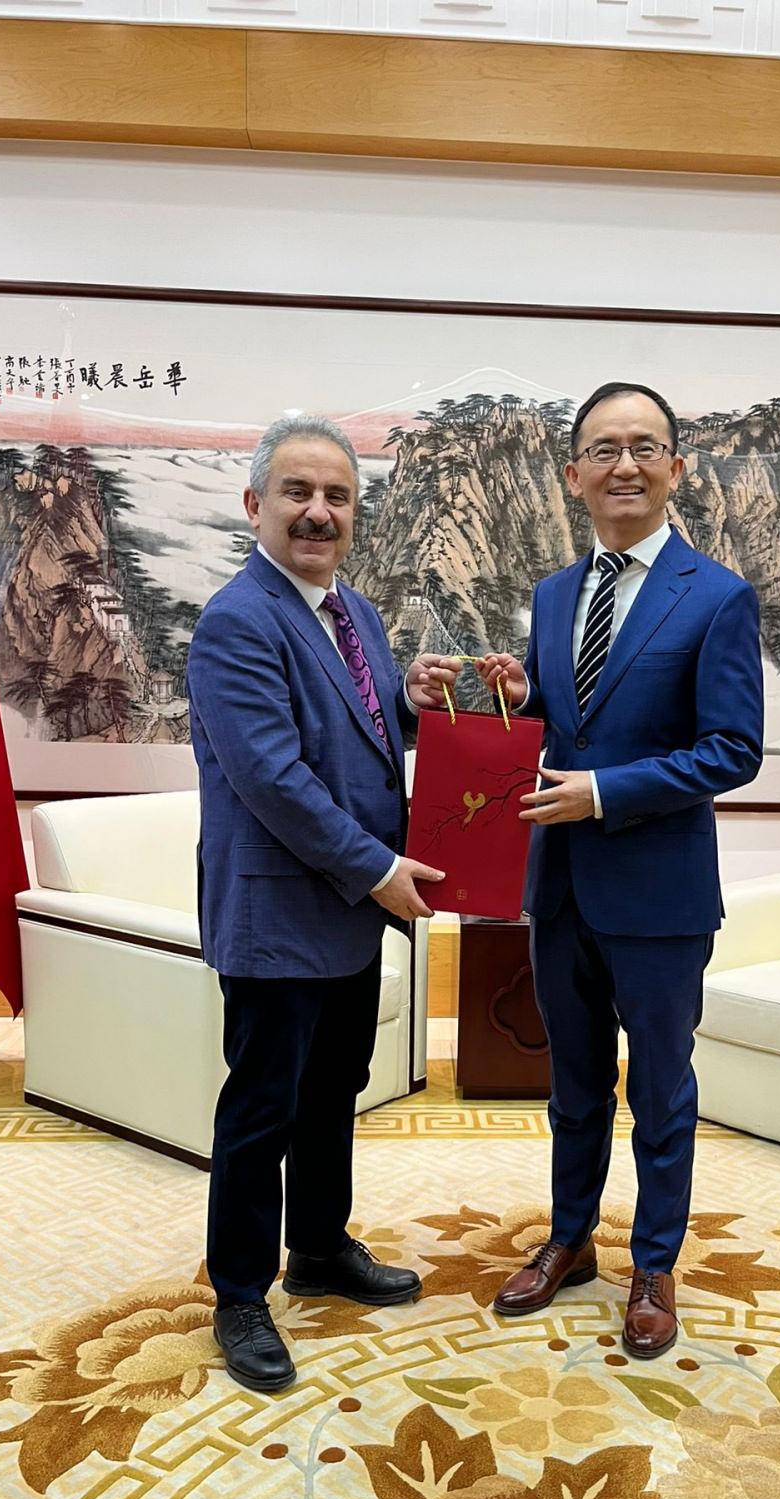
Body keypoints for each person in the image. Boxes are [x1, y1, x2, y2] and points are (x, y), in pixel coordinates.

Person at [477, 381, 764, 1358]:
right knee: (572, 1083)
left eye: (644, 447)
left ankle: (653, 1263)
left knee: (661, 1091)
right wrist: (521, 694)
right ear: (574, 475)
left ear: (675, 468)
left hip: (659, 895)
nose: (625, 465)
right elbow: (567, 723)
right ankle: (569, 1241)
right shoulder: (553, 594)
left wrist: (602, 792)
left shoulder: (717, 596)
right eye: (604, 449)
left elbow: (732, 749)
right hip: (559, 886)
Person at [187, 415, 461, 1393]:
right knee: (261, 1108)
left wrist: (412, 703)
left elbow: (360, 732)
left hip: (346, 909)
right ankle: (238, 1293)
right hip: (279, 913)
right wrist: (378, 868)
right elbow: (273, 777)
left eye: (337, 497)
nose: (318, 512)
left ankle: (317, 1247)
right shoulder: (237, 621)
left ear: (354, 513)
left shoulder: (353, 614)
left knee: (333, 1087)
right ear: (254, 503)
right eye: (297, 492)